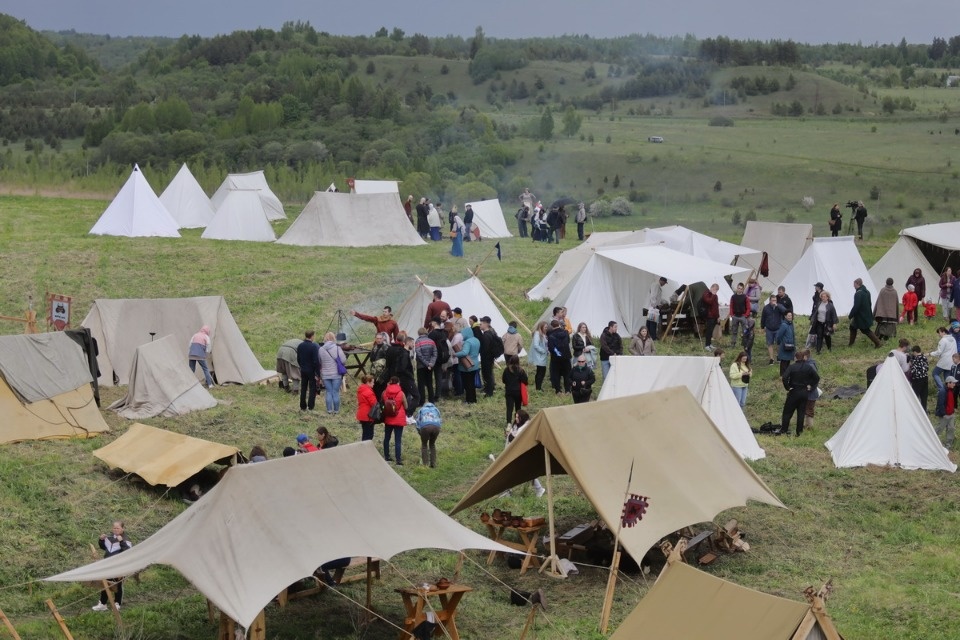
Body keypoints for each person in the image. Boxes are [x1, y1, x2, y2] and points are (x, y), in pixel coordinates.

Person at [91, 521, 133, 611]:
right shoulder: (110, 538)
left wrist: (121, 541)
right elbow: (104, 547)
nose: (116, 529)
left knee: (117, 584)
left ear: (122, 529)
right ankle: (103, 604)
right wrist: (101, 540)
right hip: (108, 564)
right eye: (114, 528)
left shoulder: (126, 539)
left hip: (119, 566)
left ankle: (117, 603)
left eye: (118, 528)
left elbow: (128, 551)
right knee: (105, 583)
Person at [505, 410, 545, 497]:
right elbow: (512, 437)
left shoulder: (526, 427)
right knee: (511, 471)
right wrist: (509, 435)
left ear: (522, 418)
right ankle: (508, 491)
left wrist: (511, 436)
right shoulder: (516, 426)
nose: (516, 419)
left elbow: (519, 439)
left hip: (523, 453)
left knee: (526, 472)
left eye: (518, 417)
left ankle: (539, 489)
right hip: (515, 453)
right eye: (515, 417)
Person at [779, 350, 820, 437]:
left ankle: (784, 430)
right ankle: (799, 432)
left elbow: (784, 377)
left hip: (794, 391)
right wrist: (811, 386)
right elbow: (817, 378)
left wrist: (788, 387)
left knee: (787, 412)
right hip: (804, 392)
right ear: (803, 357)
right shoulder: (808, 367)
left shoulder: (792, 367)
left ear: (795, 358)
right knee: (801, 413)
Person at [930, 326, 957, 416]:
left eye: (939, 333)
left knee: (935, 373)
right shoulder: (953, 339)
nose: (939, 335)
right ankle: (947, 395)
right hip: (951, 361)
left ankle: (941, 388)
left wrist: (930, 353)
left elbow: (939, 352)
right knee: (947, 379)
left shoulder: (943, 340)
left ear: (943, 332)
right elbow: (955, 350)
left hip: (944, 361)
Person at [318, 332, 346, 415]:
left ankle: (329, 410)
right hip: (336, 374)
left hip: (325, 374)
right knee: (335, 392)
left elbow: (320, 361)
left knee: (328, 392)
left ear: (325, 338)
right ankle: (336, 411)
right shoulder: (337, 348)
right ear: (334, 338)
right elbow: (343, 360)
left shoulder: (321, 349)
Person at [849, 278, 882, 347]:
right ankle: (850, 344)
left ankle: (878, 343)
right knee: (852, 327)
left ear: (857, 284)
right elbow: (870, 303)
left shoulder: (858, 294)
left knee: (865, 330)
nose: (853, 286)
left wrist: (850, 315)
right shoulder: (867, 292)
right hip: (865, 314)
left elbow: (856, 306)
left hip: (860, 316)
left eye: (854, 284)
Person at [381, 376, 407, 464]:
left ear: (390, 382)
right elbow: (406, 406)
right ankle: (398, 460)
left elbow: (382, 403)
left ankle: (387, 456)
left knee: (387, 438)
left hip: (388, 418)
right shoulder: (401, 393)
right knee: (398, 440)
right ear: (398, 383)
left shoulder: (384, 392)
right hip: (399, 419)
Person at [453, 326, 480, 404]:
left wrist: (455, 354)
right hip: (475, 364)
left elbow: (465, 352)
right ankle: (473, 399)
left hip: (467, 366)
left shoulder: (467, 342)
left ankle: (469, 400)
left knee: (467, 384)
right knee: (472, 383)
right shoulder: (476, 340)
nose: (462, 336)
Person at [296, 330, 321, 411]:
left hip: (303, 370)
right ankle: (310, 406)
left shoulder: (300, 345)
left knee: (303, 388)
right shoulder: (313, 346)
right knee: (312, 388)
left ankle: (302, 406)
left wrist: (302, 366)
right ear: (312, 336)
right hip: (311, 371)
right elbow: (316, 361)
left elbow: (298, 358)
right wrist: (317, 373)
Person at [501, 355, 528, 427]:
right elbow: (525, 381)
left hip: (509, 392)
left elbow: (503, 380)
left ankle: (509, 423)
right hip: (518, 392)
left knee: (509, 408)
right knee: (518, 408)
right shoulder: (521, 370)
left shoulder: (506, 370)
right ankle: (517, 422)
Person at [414, 327, 438, 406]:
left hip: (421, 366)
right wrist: (431, 363)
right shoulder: (431, 341)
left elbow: (419, 354)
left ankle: (422, 401)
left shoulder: (418, 341)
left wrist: (426, 363)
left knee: (421, 384)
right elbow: (435, 353)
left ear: (419, 333)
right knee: (429, 383)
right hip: (430, 366)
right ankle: (431, 400)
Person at [548, 319, 572, 393]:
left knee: (556, 374)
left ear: (552, 326)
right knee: (567, 373)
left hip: (556, 358)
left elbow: (551, 348)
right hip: (566, 356)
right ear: (559, 325)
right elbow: (568, 341)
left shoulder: (550, 335)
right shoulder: (566, 332)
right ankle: (568, 390)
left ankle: (558, 390)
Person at [428, 319, 450, 399]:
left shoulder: (432, 333)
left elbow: (429, 345)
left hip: (432, 357)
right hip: (441, 356)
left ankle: (431, 394)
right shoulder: (443, 333)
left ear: (435, 322)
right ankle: (438, 394)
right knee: (438, 376)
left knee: (429, 376)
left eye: (432, 322)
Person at [415, 402, 442, 467]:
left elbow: (418, 421)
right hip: (436, 427)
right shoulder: (436, 409)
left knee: (424, 445)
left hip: (425, 427)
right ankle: (433, 464)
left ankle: (425, 464)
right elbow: (440, 420)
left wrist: (419, 431)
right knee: (432, 444)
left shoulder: (421, 410)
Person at [760, 294, 784, 365]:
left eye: (775, 300)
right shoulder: (766, 308)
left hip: (778, 328)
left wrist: (778, 306)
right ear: (770, 301)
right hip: (769, 329)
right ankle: (771, 358)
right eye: (773, 300)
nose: (774, 302)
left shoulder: (779, 306)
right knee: (769, 344)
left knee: (779, 343)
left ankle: (779, 356)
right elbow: (763, 318)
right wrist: (762, 327)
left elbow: (785, 311)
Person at [478, 316, 498, 398]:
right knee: (488, 374)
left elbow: (485, 348)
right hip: (489, 357)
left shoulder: (486, 335)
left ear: (486, 324)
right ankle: (489, 389)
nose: (480, 325)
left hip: (487, 358)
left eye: (481, 324)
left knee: (487, 374)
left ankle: (489, 392)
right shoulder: (491, 333)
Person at [935, 376, 957, 449]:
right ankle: (931, 441)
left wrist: (953, 411)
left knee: (951, 429)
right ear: (948, 383)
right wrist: (943, 414)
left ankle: (948, 445)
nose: (954, 384)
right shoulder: (942, 391)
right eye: (953, 383)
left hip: (951, 414)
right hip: (945, 415)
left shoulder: (952, 390)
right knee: (939, 429)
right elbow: (940, 404)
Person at [775, 311, 797, 377]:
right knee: (784, 362)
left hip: (790, 346)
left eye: (791, 316)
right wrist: (779, 343)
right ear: (785, 316)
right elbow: (779, 336)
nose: (790, 317)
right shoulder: (784, 325)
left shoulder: (791, 324)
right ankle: (782, 376)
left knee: (788, 362)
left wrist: (794, 345)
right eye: (789, 316)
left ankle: (786, 376)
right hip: (784, 346)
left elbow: (793, 336)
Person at [529, 321, 549, 392]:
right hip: (539, 356)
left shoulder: (543, 334)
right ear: (541, 327)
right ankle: (538, 388)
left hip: (542, 356)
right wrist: (543, 351)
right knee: (541, 372)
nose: (546, 328)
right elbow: (536, 345)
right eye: (545, 327)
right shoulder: (537, 334)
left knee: (541, 371)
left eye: (547, 327)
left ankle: (539, 387)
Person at [356, 374, 377, 441]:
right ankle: (366, 447)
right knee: (369, 435)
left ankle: (363, 446)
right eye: (372, 382)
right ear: (368, 382)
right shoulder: (368, 392)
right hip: (368, 415)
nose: (374, 384)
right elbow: (374, 403)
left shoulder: (361, 389)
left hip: (362, 414)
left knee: (365, 433)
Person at [700, 283, 720, 352]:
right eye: (714, 289)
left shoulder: (715, 296)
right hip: (709, 315)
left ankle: (709, 343)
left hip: (714, 315)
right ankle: (707, 345)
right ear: (711, 287)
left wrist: (718, 316)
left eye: (717, 290)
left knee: (711, 330)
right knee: (708, 330)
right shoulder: (706, 294)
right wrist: (713, 295)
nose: (715, 291)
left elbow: (716, 306)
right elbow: (709, 302)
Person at [728, 282, 749, 348]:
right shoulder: (733, 297)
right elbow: (731, 306)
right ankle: (733, 343)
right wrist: (732, 314)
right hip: (735, 316)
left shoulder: (745, 297)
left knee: (745, 331)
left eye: (741, 289)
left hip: (743, 316)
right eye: (738, 288)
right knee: (734, 331)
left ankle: (745, 344)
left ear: (743, 289)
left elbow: (748, 307)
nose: (739, 290)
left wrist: (746, 315)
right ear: (737, 288)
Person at [910, 345, 929, 412]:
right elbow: (927, 368)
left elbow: (913, 371)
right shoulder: (924, 357)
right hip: (925, 378)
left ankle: (915, 411)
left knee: (915, 396)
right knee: (924, 397)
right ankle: (924, 411)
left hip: (917, 380)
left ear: (915, 352)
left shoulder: (915, 359)